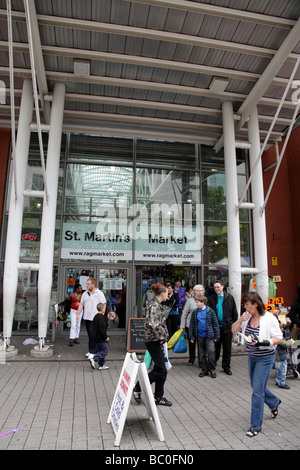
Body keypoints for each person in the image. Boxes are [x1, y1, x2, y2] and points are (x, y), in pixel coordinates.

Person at [232, 292, 283, 437]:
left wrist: (265, 342)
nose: (245, 307)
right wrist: (240, 320)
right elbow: (234, 330)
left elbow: (278, 338)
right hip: (252, 356)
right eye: (244, 305)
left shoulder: (268, 318)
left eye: (247, 304)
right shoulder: (246, 317)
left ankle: (255, 425)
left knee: (257, 392)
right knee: (256, 387)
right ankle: (274, 402)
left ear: (256, 304)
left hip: (265, 357)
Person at [133, 283, 172, 406]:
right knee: (160, 369)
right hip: (153, 340)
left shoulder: (155, 304)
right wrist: (162, 336)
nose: (168, 295)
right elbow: (153, 324)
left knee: (162, 369)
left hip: (155, 340)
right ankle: (138, 388)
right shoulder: (155, 306)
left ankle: (158, 396)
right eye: (167, 293)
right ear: (162, 294)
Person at [207, 279, 238, 375]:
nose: (216, 289)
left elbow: (234, 313)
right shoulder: (211, 299)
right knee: (215, 348)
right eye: (215, 287)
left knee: (227, 349)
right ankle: (212, 365)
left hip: (227, 327)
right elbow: (209, 313)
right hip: (216, 328)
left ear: (222, 287)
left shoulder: (230, 298)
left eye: (218, 287)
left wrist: (232, 324)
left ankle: (226, 367)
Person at [189, 295, 220, 378]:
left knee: (211, 352)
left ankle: (212, 369)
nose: (196, 304)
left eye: (198, 302)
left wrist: (217, 336)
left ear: (203, 302)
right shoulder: (195, 312)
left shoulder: (210, 311)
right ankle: (204, 369)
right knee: (201, 354)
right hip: (199, 335)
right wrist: (191, 335)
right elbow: (192, 324)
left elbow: (215, 324)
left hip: (209, 336)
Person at [77, 278, 106, 359]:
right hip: (87, 317)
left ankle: (93, 351)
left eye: (89, 284)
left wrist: (102, 314)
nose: (87, 286)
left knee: (92, 334)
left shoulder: (99, 293)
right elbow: (81, 304)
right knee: (90, 335)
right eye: (86, 284)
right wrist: (78, 314)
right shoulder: (85, 294)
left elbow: (104, 303)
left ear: (93, 284)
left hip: (95, 317)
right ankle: (91, 351)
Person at [180, 284, 205, 366]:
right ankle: (192, 359)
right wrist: (182, 326)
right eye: (197, 290)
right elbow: (184, 314)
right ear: (193, 292)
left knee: (201, 344)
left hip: (201, 325)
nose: (199, 292)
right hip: (190, 325)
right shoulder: (190, 301)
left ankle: (201, 360)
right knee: (192, 343)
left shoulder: (205, 301)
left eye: (201, 290)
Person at [89, 303, 110, 371]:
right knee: (105, 351)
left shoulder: (95, 317)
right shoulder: (101, 318)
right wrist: (105, 337)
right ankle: (94, 358)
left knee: (100, 350)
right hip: (101, 338)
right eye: (104, 308)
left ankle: (101, 365)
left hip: (97, 338)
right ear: (102, 309)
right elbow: (102, 329)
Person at [275, 319, 293, 389]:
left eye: (282, 327)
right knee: (282, 369)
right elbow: (286, 344)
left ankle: (278, 380)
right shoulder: (278, 336)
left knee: (278, 368)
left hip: (279, 354)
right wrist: (290, 341)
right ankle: (281, 382)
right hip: (280, 355)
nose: (282, 329)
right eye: (280, 328)